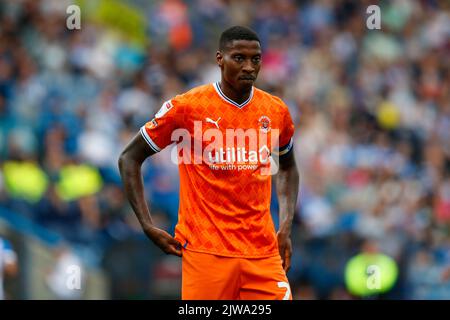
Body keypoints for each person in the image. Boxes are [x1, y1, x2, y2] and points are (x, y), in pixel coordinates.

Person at [119, 26, 299, 300]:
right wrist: (146, 224)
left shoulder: (275, 111)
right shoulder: (187, 108)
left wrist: (285, 224)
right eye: (239, 58)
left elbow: (288, 166)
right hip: (206, 251)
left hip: (262, 252)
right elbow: (129, 158)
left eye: (256, 59)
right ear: (219, 59)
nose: (249, 67)